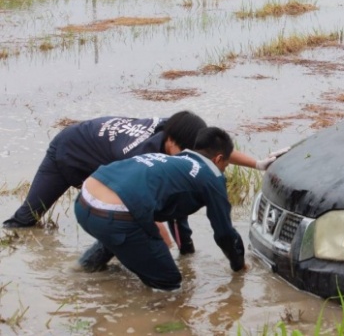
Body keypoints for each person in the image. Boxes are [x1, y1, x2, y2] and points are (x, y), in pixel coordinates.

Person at [3, 111, 279, 229]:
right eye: (185, 152)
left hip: (97, 150)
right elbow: (131, 199)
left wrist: (258, 164)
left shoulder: (176, 128)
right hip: (68, 151)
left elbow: (215, 151)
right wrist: (157, 231)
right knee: (26, 220)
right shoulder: (140, 153)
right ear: (170, 142)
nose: (190, 158)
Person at [74, 126, 245, 290]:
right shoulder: (212, 176)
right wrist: (239, 267)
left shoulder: (176, 161)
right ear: (218, 159)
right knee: (170, 282)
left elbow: (177, 214)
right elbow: (224, 234)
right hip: (113, 217)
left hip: (84, 200)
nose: (223, 170)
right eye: (226, 165)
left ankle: (80, 270)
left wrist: (186, 251)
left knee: (126, 233)